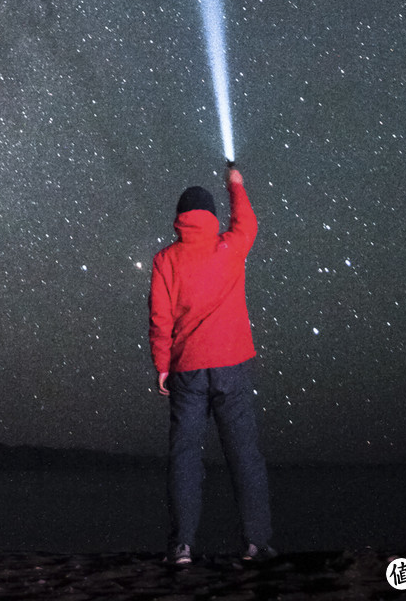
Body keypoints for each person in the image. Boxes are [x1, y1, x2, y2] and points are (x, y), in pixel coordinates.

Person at [148, 162, 274, 565]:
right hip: (231, 365)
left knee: (185, 455)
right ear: (210, 215)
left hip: (186, 368)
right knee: (244, 454)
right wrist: (235, 184)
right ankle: (256, 542)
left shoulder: (165, 259)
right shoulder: (230, 245)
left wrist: (162, 364)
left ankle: (182, 546)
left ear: (180, 217)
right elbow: (248, 222)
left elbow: (160, 317)